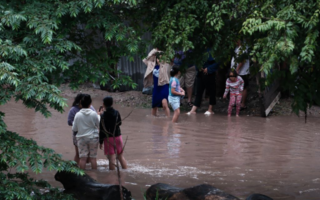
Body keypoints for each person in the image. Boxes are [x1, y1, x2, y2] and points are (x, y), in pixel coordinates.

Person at [187, 49, 220, 115]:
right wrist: (199, 67)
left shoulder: (213, 49)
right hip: (200, 72)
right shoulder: (199, 49)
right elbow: (196, 61)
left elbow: (217, 62)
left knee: (211, 91)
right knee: (199, 91)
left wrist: (209, 69)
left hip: (209, 72)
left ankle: (210, 109)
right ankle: (193, 109)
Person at [67, 93, 97, 165]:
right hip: (83, 135)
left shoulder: (90, 108)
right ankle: (78, 170)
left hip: (82, 135)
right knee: (80, 154)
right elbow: (69, 122)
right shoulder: (74, 110)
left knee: (84, 155)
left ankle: (83, 171)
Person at [99, 96, 127, 170]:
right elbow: (120, 123)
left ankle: (112, 175)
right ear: (112, 103)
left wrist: (100, 141)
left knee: (112, 158)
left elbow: (102, 129)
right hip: (118, 136)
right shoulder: (117, 113)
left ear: (103, 104)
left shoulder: (103, 115)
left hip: (108, 138)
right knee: (120, 156)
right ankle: (125, 170)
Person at [143, 48, 171, 117]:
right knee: (154, 107)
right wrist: (154, 51)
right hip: (156, 88)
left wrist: (160, 52)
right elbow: (145, 59)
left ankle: (169, 120)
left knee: (164, 104)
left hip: (164, 87)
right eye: (158, 57)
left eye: (161, 57)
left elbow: (167, 57)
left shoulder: (165, 65)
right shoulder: (152, 66)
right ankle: (154, 121)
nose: (160, 59)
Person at [231, 40, 250, 109]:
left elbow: (243, 60)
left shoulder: (244, 47)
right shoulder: (237, 47)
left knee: (243, 87)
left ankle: (242, 104)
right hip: (236, 71)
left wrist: (238, 69)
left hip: (243, 71)